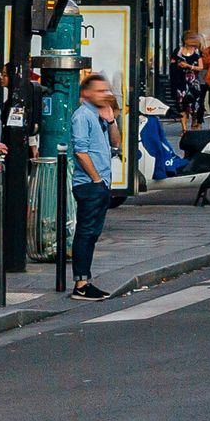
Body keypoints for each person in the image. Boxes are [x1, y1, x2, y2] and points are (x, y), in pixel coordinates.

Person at [69, 71, 122, 300]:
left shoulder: (99, 115)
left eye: (106, 90)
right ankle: (81, 283)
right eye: (99, 91)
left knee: (93, 234)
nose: (105, 94)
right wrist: (97, 180)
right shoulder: (82, 116)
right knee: (85, 232)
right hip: (89, 184)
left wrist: (111, 121)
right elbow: (80, 151)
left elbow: (116, 143)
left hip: (100, 183)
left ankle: (85, 280)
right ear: (87, 93)